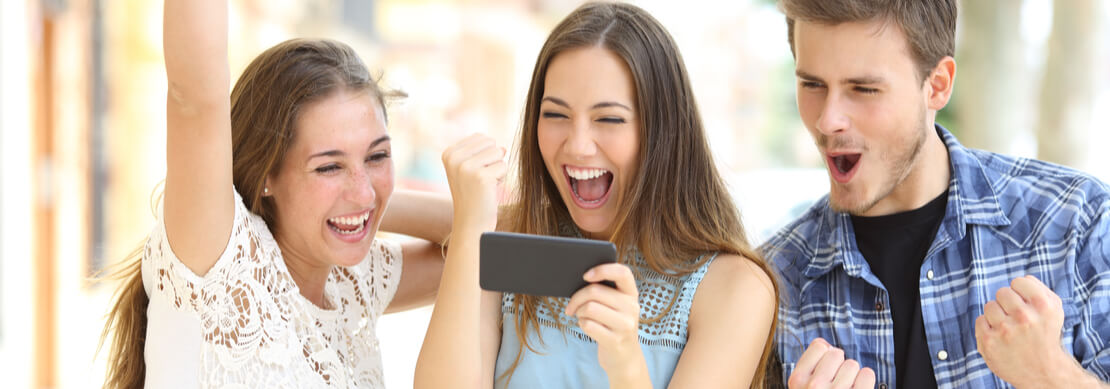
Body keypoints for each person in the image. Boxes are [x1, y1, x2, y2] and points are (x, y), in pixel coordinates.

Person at [412, 2, 778, 388]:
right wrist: (469, 227)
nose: (579, 145)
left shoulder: (736, 288)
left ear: (664, 132)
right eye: (555, 114)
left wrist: (624, 362)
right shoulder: (514, 240)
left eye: (609, 119)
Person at [760, 1, 1110, 388]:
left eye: (864, 89)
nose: (828, 119)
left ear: (938, 85)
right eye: (812, 84)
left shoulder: (1078, 221)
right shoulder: (771, 287)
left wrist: (1054, 376)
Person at [98, 1, 448, 387]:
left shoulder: (349, 282)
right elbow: (194, 96)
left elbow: (491, 242)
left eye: (377, 156)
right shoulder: (224, 263)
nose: (362, 188)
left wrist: (373, 201)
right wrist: (353, 201)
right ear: (267, 175)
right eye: (329, 166)